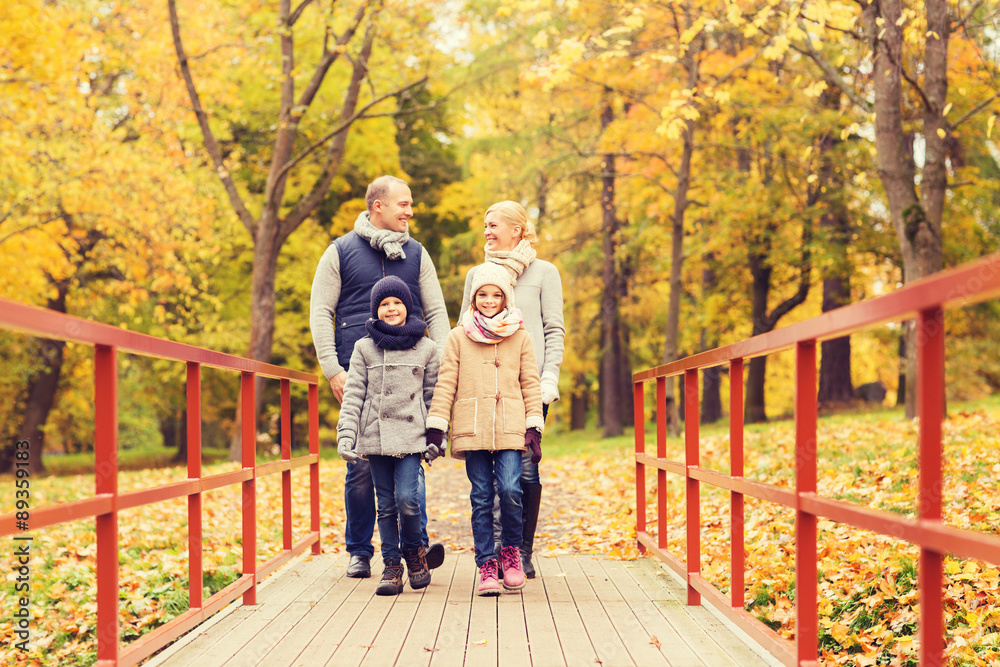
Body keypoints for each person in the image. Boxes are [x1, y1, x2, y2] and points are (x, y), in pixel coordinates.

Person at [310, 175, 450, 579]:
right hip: (361, 370)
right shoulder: (340, 252)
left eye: (411, 204)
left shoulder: (418, 254)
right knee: (362, 464)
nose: (409, 211)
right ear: (378, 206)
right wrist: (333, 369)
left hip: (410, 373)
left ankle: (415, 547)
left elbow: (437, 313)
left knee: (412, 457)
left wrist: (440, 366)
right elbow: (322, 311)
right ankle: (359, 549)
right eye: (403, 204)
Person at [425, 263, 544, 596]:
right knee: (480, 496)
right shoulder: (458, 337)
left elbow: (530, 383)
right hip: (471, 426)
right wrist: (437, 425)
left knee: (509, 489)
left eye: (496, 295)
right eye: (482, 295)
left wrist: (533, 425)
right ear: (473, 299)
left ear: (506, 298)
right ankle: (487, 564)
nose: (489, 300)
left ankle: (511, 553)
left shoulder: (520, 336)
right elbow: (446, 382)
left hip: (510, 426)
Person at [460, 201, 565, 578]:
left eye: (494, 225)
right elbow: (463, 330)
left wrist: (549, 375)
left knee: (525, 471)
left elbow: (554, 330)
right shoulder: (478, 274)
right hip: (484, 390)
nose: (487, 232)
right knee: (488, 478)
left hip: (528, 388)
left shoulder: (544, 272)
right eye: (485, 226)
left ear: (517, 230)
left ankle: (521, 550)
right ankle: (493, 554)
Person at [336, 277, 439, 595]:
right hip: (375, 437)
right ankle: (392, 566)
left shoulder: (427, 348)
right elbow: (353, 395)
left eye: (396, 302)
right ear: (375, 310)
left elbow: (434, 395)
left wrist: (437, 436)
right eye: (384, 304)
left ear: (407, 307)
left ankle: (414, 552)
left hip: (411, 437)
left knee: (408, 500)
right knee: (386, 506)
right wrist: (346, 436)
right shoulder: (364, 348)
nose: (391, 308)